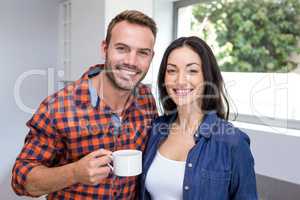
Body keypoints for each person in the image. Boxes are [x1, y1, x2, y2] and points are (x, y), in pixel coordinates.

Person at [11, 10, 158, 199]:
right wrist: (74, 173)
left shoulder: (146, 99)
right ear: (105, 49)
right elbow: (21, 180)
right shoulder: (58, 107)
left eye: (142, 53)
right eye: (122, 48)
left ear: (151, 57)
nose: (131, 61)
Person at [139, 36, 258, 200]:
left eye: (192, 71)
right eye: (172, 70)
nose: (180, 80)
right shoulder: (155, 130)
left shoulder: (233, 142)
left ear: (207, 77)